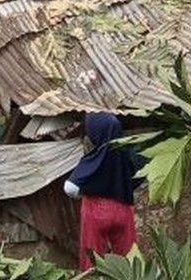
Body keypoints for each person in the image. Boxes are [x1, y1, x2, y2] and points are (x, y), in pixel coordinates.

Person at [63, 113, 142, 270]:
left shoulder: (94, 158)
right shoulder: (126, 155)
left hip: (96, 211)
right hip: (123, 210)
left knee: (92, 258)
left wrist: (85, 192)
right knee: (130, 259)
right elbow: (141, 174)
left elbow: (70, 188)